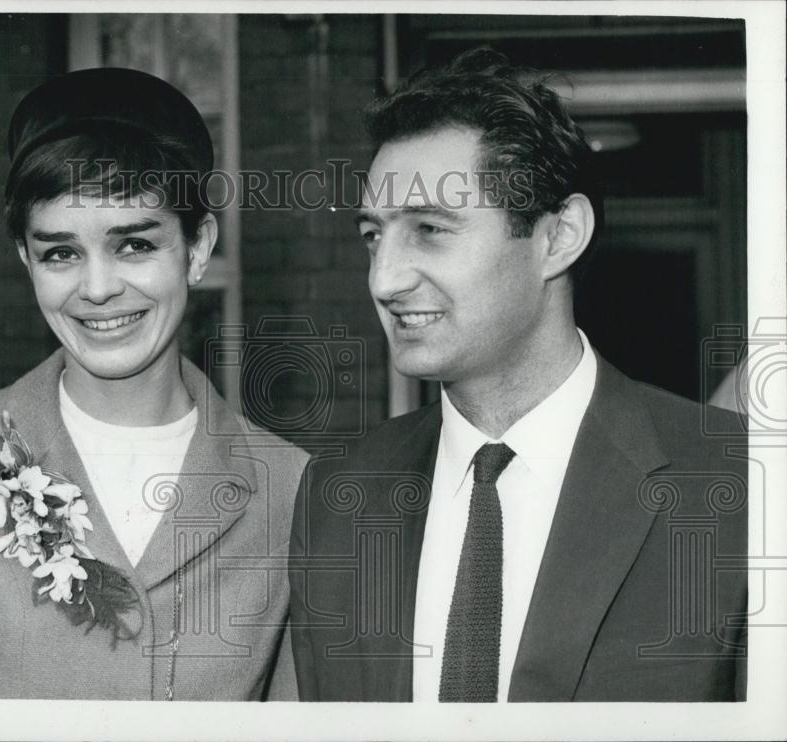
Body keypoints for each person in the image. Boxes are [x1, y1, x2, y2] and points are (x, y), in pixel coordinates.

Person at [0, 68, 306, 700]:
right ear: (27, 259)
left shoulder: (292, 489)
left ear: (197, 249)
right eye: (61, 253)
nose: (99, 287)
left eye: (135, 244)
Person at [288, 48, 747, 702]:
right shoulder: (336, 495)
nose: (384, 278)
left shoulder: (736, 485)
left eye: (428, 228)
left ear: (558, 238)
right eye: (373, 235)